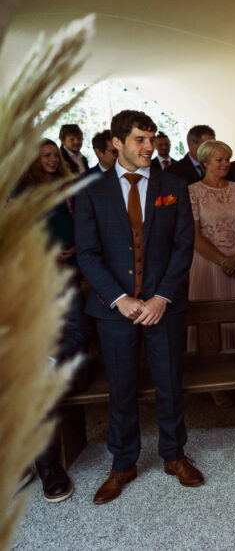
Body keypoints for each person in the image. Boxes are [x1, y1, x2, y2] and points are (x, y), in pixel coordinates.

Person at [74, 109, 203, 505]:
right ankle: (123, 463)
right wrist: (121, 298)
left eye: (152, 139)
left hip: (164, 305)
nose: (149, 147)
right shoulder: (91, 191)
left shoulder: (173, 185)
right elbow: (88, 253)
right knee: (122, 387)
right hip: (114, 309)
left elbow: (184, 245)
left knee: (168, 382)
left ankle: (174, 455)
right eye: (140, 140)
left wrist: (162, 296)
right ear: (117, 142)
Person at [16, 140, 91, 503]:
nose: (50, 160)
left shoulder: (66, 183)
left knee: (74, 331)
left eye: (53, 155)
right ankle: (42, 465)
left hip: (65, 273)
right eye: (42, 155)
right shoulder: (18, 191)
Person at [187, 139, 235, 407]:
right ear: (205, 162)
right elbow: (194, 236)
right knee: (209, 322)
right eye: (220, 160)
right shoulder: (192, 192)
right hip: (207, 266)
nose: (226, 163)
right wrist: (224, 261)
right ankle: (213, 381)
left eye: (228, 159)